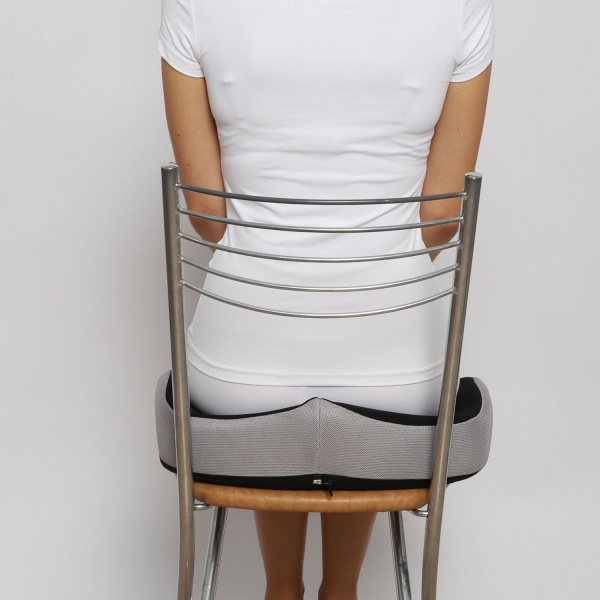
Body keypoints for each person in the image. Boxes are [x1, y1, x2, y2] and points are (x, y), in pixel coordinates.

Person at [159, 1, 494, 598]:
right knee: (361, 375)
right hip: (400, 386)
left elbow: (208, 214)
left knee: (274, 374)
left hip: (237, 383)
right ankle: (342, 591)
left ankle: (279, 590)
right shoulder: (462, 7)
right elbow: (442, 219)